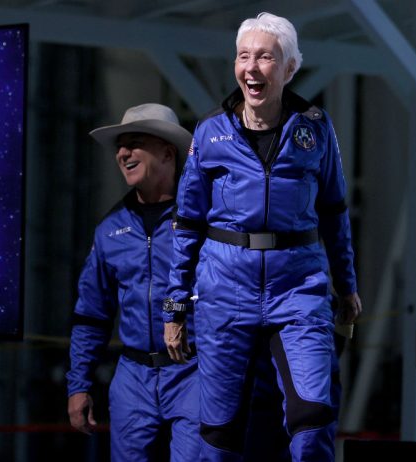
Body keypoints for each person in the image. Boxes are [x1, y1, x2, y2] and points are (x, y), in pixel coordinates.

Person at [163, 12, 362, 461]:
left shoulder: (315, 127)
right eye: (243, 56)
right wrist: (175, 307)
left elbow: (334, 211)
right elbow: (188, 222)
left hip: (299, 291)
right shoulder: (210, 132)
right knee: (217, 437)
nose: (251, 67)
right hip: (223, 293)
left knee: (313, 420)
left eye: (265, 57)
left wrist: (347, 287)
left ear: (289, 69)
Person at [66, 103, 200, 461]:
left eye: (134, 142)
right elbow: (91, 314)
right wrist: (78, 385)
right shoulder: (110, 230)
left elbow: (219, 296)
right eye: (119, 147)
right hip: (132, 377)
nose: (122, 153)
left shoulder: (204, 224)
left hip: (195, 372)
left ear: (167, 152)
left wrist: (176, 310)